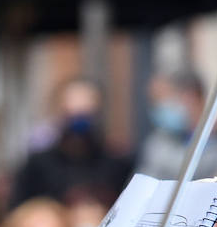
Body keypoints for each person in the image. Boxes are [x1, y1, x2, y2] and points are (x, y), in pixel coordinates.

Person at [11, 76, 132, 210]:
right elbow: (19, 213)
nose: (79, 120)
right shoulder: (38, 165)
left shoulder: (117, 164)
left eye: (85, 113)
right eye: (72, 112)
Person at [136, 69, 217, 183]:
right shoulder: (159, 142)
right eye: (154, 102)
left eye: (162, 99)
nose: (158, 108)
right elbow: (143, 187)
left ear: (191, 96)